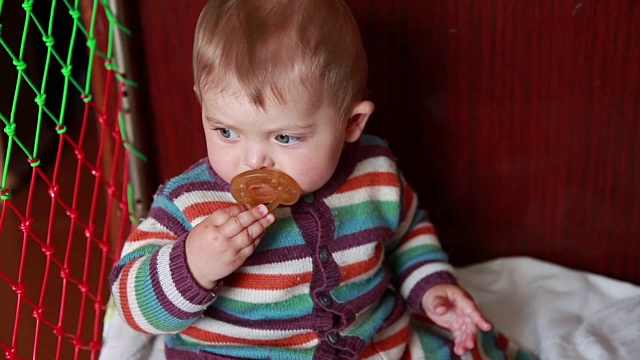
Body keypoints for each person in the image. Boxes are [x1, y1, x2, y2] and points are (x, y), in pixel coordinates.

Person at [109, 1, 536, 359]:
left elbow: (407, 235)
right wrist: (192, 265)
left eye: (285, 137)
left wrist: (431, 287)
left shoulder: (376, 171)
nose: (252, 159)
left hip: (373, 344)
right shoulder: (189, 202)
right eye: (226, 131)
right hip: (236, 353)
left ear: (351, 123)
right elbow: (130, 305)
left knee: (465, 347)